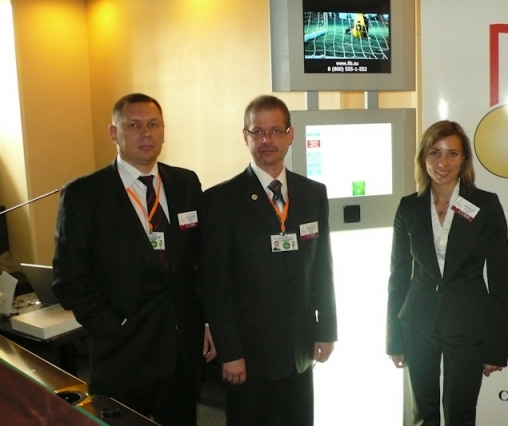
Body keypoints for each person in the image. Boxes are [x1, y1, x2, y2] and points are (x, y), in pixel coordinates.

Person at [52, 93, 215, 426]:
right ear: (114, 133)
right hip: (122, 356)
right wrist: (115, 327)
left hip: (181, 353)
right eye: (134, 125)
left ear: (164, 131)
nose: (145, 133)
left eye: (153, 124)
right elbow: (70, 279)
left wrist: (206, 321)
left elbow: (200, 261)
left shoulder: (185, 183)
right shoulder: (84, 194)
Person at [198, 94, 337, 425]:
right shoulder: (221, 200)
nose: (266, 140)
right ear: (245, 137)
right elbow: (215, 285)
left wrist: (326, 329)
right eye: (257, 132)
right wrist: (230, 352)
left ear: (290, 135)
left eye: (275, 131)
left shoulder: (313, 194)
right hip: (249, 358)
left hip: (300, 352)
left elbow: (322, 268)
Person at [386, 120, 508, 426]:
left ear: (463, 159)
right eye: (435, 152)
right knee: (423, 416)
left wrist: (496, 347)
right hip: (418, 325)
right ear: (423, 158)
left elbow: (500, 281)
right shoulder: (409, 208)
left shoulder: (486, 205)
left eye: (452, 154)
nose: (443, 162)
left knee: (460, 415)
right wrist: (394, 339)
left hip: (468, 328)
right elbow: (398, 277)